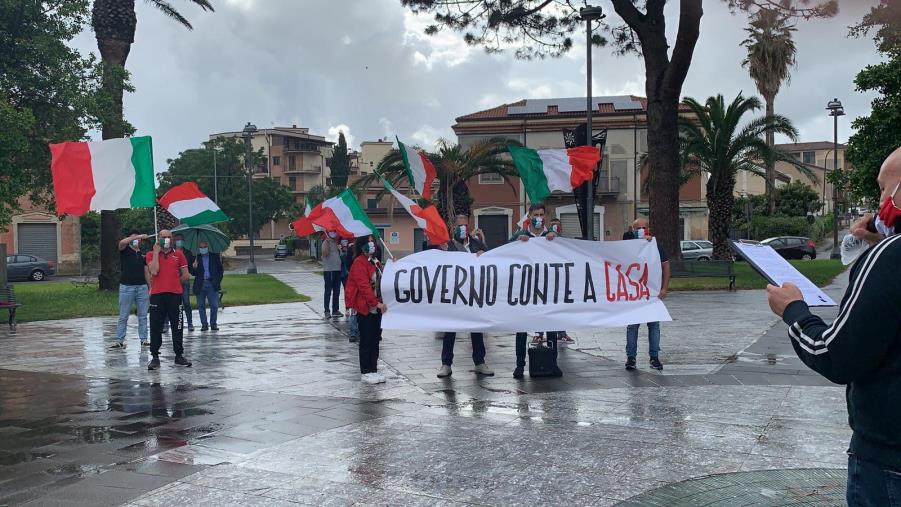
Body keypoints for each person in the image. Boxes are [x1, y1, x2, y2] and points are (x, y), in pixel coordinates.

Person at [766, 148, 901, 507]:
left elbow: (836, 356)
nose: (880, 201)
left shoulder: (890, 257)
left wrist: (794, 311)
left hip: (888, 461)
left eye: (884, 189)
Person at [437, 215, 494, 378]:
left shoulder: (477, 244)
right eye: (460, 225)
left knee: (476, 329)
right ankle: (446, 364)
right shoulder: (447, 245)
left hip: (473, 293)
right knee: (450, 330)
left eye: (466, 225)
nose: (463, 228)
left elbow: (490, 262)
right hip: (454, 294)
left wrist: (484, 254)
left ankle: (480, 362)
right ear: (454, 227)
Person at [511, 203, 561, 379]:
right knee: (521, 327)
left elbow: (566, 252)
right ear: (529, 216)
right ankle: (519, 365)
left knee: (552, 326)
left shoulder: (552, 236)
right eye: (535, 214)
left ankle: (553, 363)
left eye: (541, 214)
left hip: (548, 289)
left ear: (545, 216)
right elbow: (506, 253)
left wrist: (556, 238)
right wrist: (517, 242)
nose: (539, 217)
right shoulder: (520, 235)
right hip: (526, 290)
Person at [622, 217, 670, 371]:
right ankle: (631, 357)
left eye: (644, 227)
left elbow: (666, 266)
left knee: (654, 326)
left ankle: (654, 357)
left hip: (652, 293)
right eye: (637, 228)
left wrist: (664, 288)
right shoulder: (627, 244)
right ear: (632, 229)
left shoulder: (655, 245)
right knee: (632, 326)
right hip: (634, 294)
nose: (641, 230)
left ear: (649, 229)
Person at [146, 229, 192, 370]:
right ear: (158, 238)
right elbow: (154, 271)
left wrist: (175, 283)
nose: (166, 239)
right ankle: (155, 356)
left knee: (177, 325)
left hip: (174, 295)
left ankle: (179, 355)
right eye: (163, 237)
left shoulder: (178, 254)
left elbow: (186, 275)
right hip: (157, 295)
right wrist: (155, 252)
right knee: (156, 326)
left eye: (168, 237)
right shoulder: (149, 255)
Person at [345, 236, 387, 384]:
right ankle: (366, 371)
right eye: (369, 241)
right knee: (366, 340)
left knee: (375, 339)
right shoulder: (358, 263)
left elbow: (385, 277)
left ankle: (373, 369)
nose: (372, 244)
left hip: (378, 309)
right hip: (365, 308)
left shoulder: (375, 262)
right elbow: (364, 287)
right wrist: (375, 303)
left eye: (373, 241)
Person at [112, 230, 150, 349]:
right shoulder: (125, 250)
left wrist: (150, 286)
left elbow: (146, 271)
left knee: (143, 316)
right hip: (126, 287)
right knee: (123, 316)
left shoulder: (142, 254)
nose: (136, 240)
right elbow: (122, 242)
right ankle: (119, 340)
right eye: (133, 238)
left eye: (138, 239)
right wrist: (138, 236)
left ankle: (144, 339)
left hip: (142, 288)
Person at [547, 217, 575, 347]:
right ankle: (541, 333)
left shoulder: (564, 241)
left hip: (561, 280)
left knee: (561, 309)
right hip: (548, 280)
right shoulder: (544, 240)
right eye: (552, 226)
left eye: (557, 226)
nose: (555, 228)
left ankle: (562, 333)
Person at [191, 240, 223, 332]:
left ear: (207, 247)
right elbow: (193, 273)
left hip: (212, 283)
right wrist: (194, 267)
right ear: (199, 249)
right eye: (201, 247)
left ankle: (213, 324)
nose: (203, 249)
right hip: (200, 284)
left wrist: (217, 280)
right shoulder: (196, 258)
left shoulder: (214, 256)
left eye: (204, 247)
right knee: (201, 305)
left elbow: (220, 270)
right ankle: (204, 324)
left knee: (214, 305)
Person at [174, 233, 195, 332]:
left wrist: (195, 267)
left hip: (184, 281)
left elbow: (191, 270)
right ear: (174, 241)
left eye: (181, 239)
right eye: (177, 239)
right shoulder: (171, 252)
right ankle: (167, 324)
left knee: (186, 302)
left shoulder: (188, 253)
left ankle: (190, 323)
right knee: (171, 303)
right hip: (173, 281)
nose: (179, 241)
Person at [340, 238, 359, 342]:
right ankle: (353, 332)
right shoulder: (352, 249)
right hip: (355, 285)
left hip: (360, 284)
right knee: (355, 311)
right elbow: (347, 262)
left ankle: (355, 332)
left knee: (358, 311)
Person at [321, 231, 343, 319]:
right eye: (332, 232)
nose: (335, 234)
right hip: (329, 270)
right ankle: (327, 311)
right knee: (328, 291)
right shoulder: (325, 242)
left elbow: (340, 255)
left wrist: (340, 248)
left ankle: (335, 310)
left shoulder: (336, 243)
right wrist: (327, 242)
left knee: (337, 291)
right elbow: (325, 254)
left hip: (337, 269)